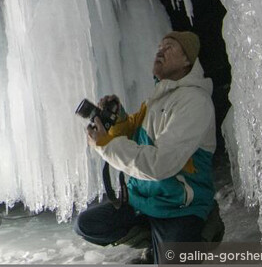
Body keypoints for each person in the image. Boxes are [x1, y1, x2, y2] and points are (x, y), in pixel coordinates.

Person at [74, 31, 216, 264]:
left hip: (179, 206)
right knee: (87, 224)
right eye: (159, 46)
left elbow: (160, 164)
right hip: (143, 201)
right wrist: (117, 120)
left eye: (169, 47)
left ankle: (205, 230)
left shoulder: (194, 102)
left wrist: (106, 145)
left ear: (187, 61)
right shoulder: (157, 98)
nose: (160, 50)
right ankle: (152, 238)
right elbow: (135, 133)